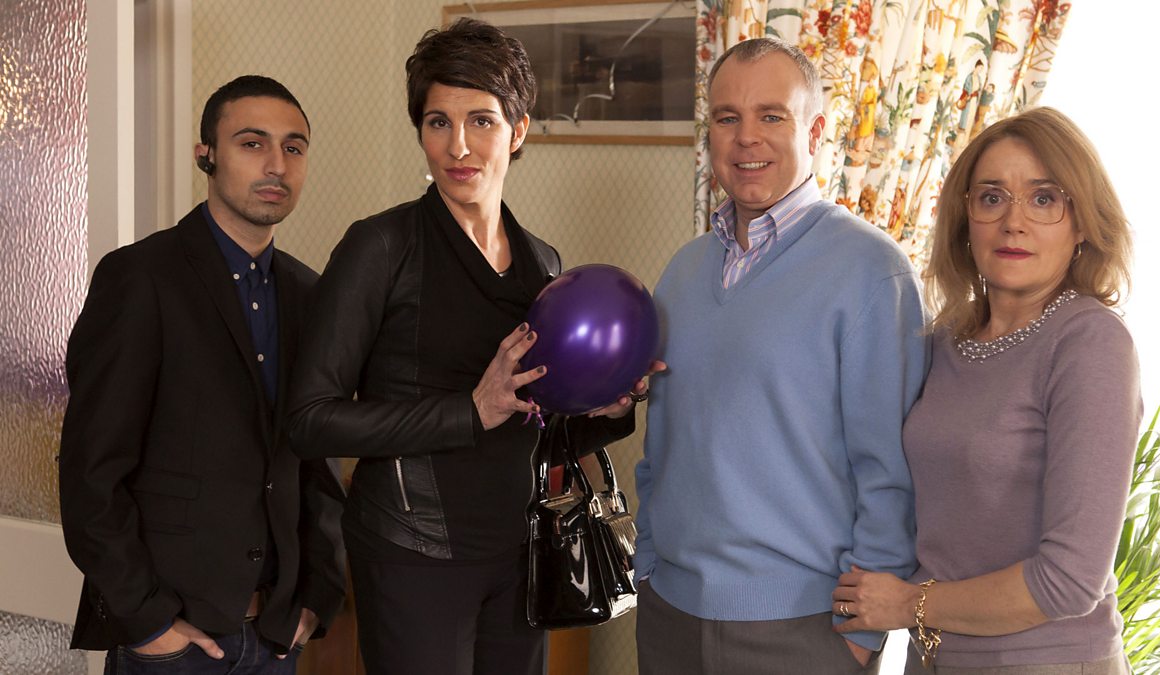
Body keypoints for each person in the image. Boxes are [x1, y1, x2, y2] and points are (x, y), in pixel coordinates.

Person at [286, 19, 652, 675]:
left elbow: (537, 431)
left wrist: (608, 408)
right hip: (410, 556)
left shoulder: (543, 265)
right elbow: (310, 419)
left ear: (518, 131)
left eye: (481, 121)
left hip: (523, 554)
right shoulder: (380, 248)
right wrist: (469, 409)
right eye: (439, 122)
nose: (458, 145)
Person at [633, 37, 928, 674]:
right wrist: (649, 562)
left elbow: (892, 473)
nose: (747, 138)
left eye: (772, 115)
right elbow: (664, 443)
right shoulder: (682, 271)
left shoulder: (873, 273)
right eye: (727, 117)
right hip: (669, 612)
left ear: (815, 131)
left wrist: (860, 635)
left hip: (806, 630)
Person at [831, 107, 1140, 674]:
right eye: (992, 198)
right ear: (965, 219)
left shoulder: (1090, 343)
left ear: (1082, 223)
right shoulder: (945, 338)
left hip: (1046, 664)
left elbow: (1071, 580)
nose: (1013, 222)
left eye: (1044, 198)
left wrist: (907, 603)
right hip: (934, 658)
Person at [59, 75, 347, 674]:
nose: (277, 164)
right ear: (206, 155)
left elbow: (316, 463)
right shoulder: (140, 278)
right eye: (252, 143)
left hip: (275, 637)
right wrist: (148, 621)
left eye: (293, 147)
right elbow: (91, 472)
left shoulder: (310, 294)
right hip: (172, 642)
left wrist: (318, 596)